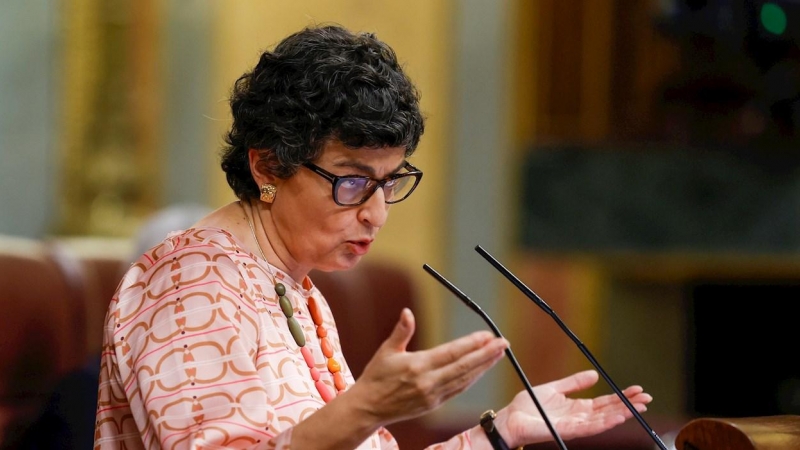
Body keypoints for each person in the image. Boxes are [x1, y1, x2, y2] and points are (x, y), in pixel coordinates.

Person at [94, 24, 653, 449]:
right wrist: (362, 409)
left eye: (390, 182)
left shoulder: (288, 283)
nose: (376, 213)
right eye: (354, 181)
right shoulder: (191, 284)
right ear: (267, 166)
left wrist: (498, 433)